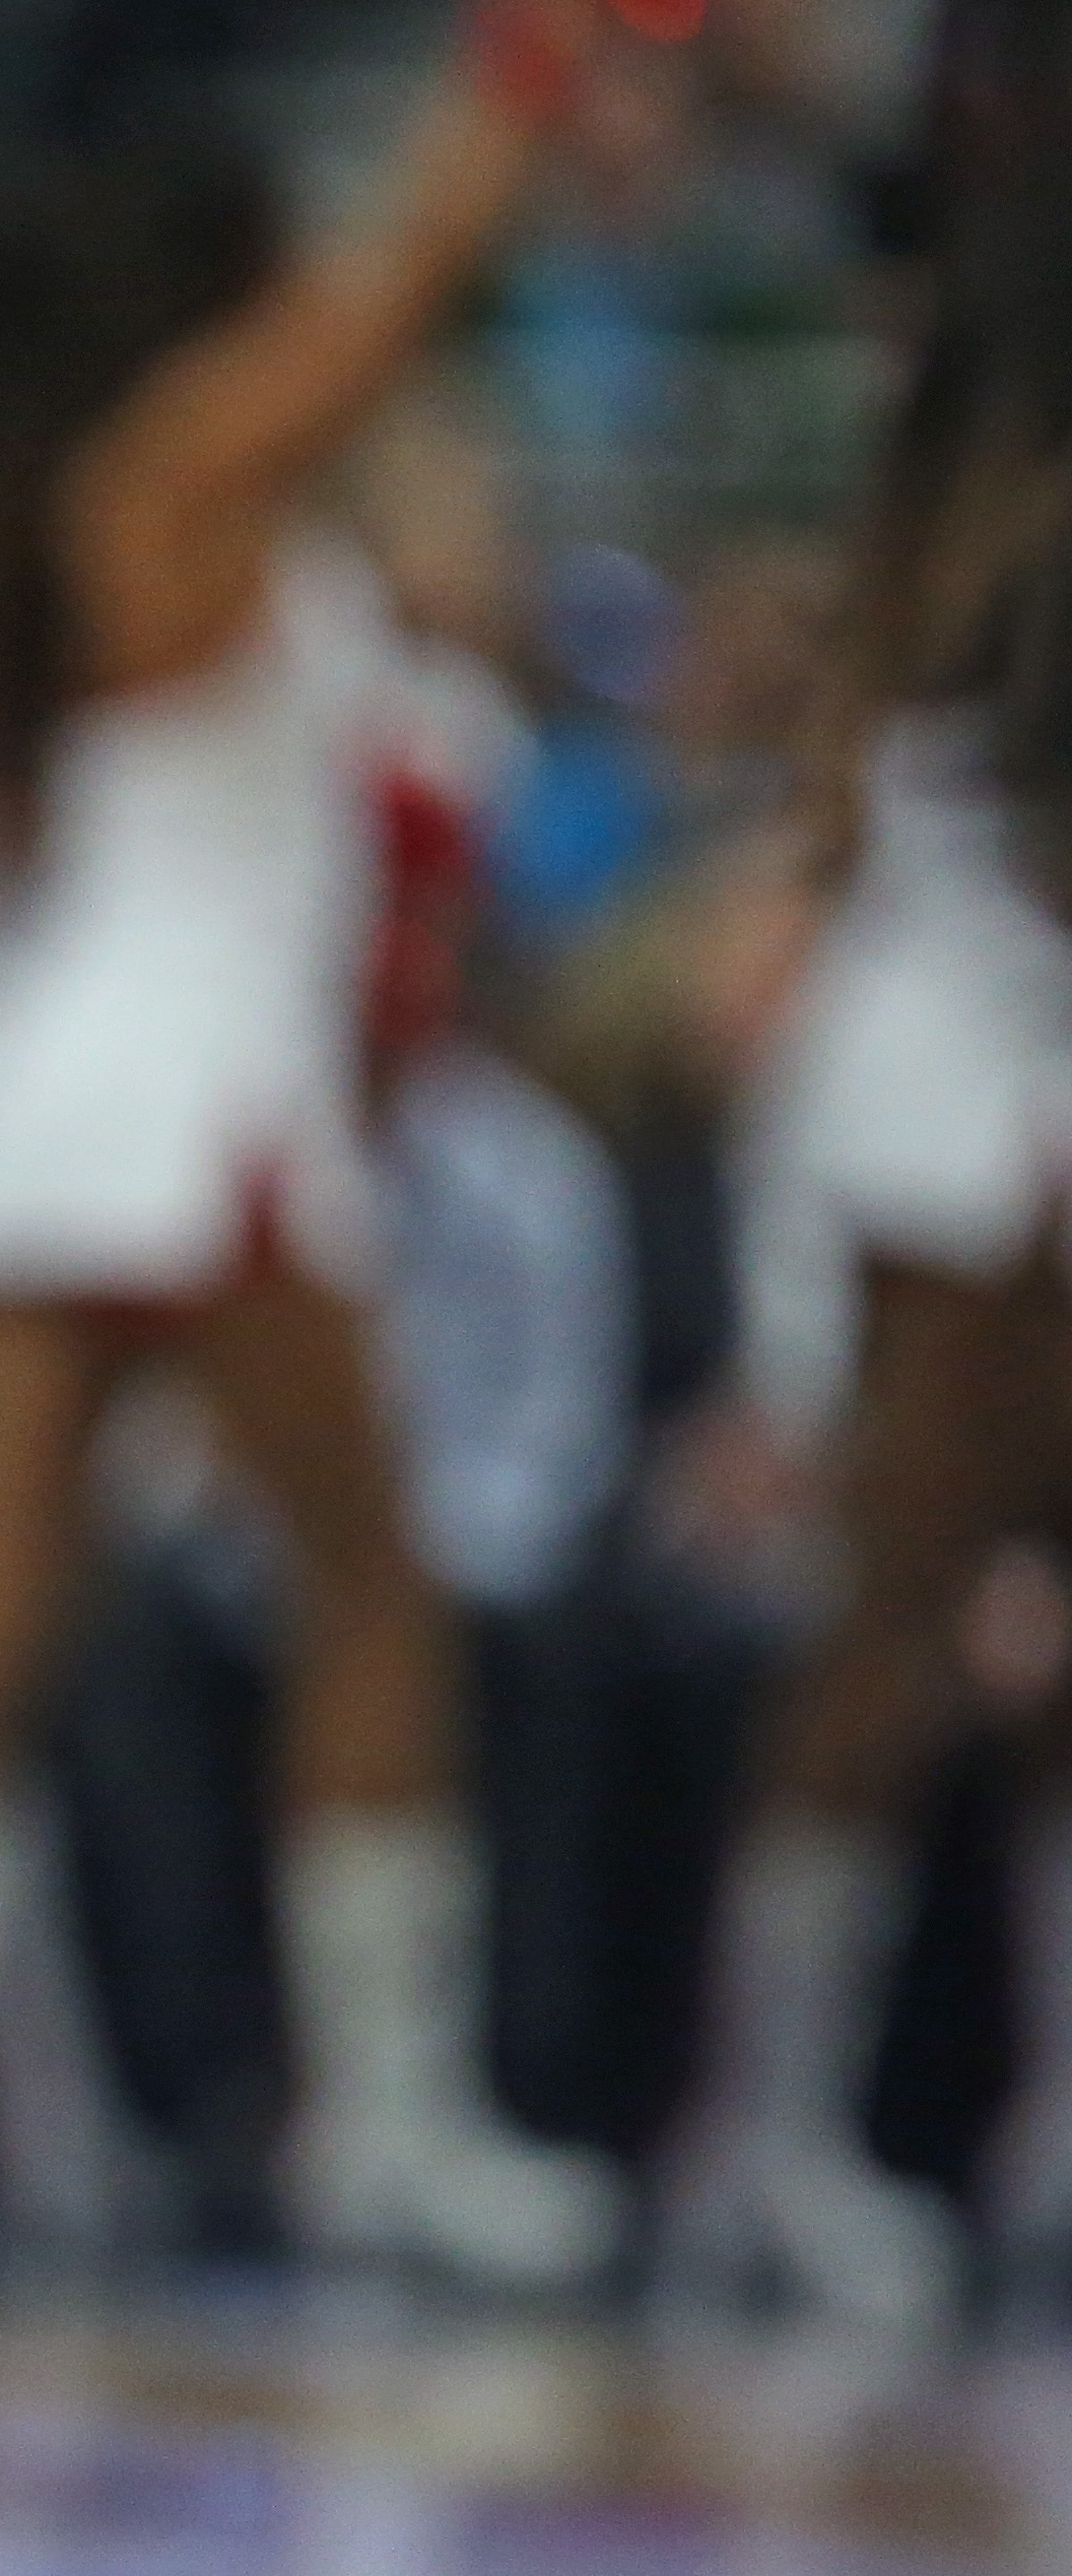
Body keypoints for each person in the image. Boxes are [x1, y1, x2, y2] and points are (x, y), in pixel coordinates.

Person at [0, 0, 639, 2287]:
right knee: (367, 1590)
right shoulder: (171, 465)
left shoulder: (148, 493)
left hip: (60, 1099)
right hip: (195, 1109)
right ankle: (389, 2134)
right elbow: (394, 301)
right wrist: (520, 83)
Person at [682, 0, 1072, 2322]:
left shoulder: (950, 476)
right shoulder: (1008, 506)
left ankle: (1016, 2137)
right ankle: (766, 2136)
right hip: (962, 1097)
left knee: (956, 1634)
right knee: (893, 1627)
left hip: (950, 1065)